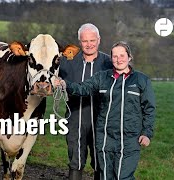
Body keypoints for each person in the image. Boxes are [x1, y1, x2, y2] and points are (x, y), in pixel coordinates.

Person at [56, 41, 156, 180]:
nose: (118, 59)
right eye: (114, 56)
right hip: (105, 138)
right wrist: (65, 84)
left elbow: (149, 109)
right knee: (105, 176)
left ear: (129, 57)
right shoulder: (102, 77)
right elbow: (83, 88)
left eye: (122, 55)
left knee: (123, 176)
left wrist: (146, 133)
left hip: (129, 138)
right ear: (111, 58)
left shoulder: (141, 80)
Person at [59, 23, 113, 180]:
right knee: (75, 158)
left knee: (99, 159)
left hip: (101, 119)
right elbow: (51, 78)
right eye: (84, 41)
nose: (89, 44)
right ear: (79, 42)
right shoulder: (67, 62)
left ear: (99, 40)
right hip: (75, 116)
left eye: (92, 40)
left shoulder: (109, 63)